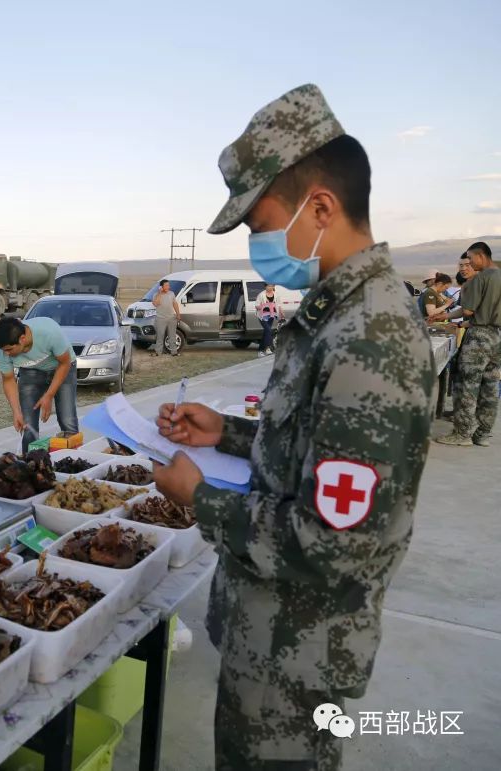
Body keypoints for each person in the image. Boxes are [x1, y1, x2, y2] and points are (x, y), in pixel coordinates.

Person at [152, 85, 432, 770]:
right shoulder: (337, 315)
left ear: (322, 207)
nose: (257, 245)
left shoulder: (373, 337)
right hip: (272, 637)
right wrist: (226, 433)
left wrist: (200, 498)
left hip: (297, 658)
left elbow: (330, 541)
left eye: (260, 225)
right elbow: (318, 450)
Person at [432, 242, 500, 447]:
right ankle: (483, 434)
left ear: (480, 256)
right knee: (490, 386)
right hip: (497, 336)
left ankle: (462, 434)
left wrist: (447, 315)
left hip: (479, 335)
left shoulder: (480, 279)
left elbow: (468, 311)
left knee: (467, 385)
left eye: (470, 258)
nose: (468, 263)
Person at [0, 316, 78, 453]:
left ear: (22, 339)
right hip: (31, 371)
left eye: (9, 350)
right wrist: (16, 412)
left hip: (62, 367)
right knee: (27, 424)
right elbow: (8, 380)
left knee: (68, 419)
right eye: (3, 350)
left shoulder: (49, 332)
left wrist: (49, 395)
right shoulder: (3, 349)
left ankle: (73, 462)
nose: (5, 354)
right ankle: (30, 464)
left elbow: (64, 363)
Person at [151, 279, 182, 357]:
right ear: (161, 286)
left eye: (168, 285)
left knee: (172, 335)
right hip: (160, 318)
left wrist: (178, 314)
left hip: (171, 318)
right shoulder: (156, 294)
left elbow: (175, 304)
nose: (168, 287)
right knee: (160, 335)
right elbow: (155, 304)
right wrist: (159, 293)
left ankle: (174, 352)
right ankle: (158, 352)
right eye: (166, 285)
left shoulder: (171, 294)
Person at [254, 283, 282, 356]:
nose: (270, 287)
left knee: (266, 332)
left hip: (272, 315)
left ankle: (260, 351)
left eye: (271, 286)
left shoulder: (276, 294)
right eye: (268, 286)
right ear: (265, 286)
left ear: (273, 286)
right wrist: (264, 307)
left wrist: (281, 313)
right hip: (262, 316)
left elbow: (279, 305)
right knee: (269, 330)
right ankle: (267, 348)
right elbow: (256, 305)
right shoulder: (261, 295)